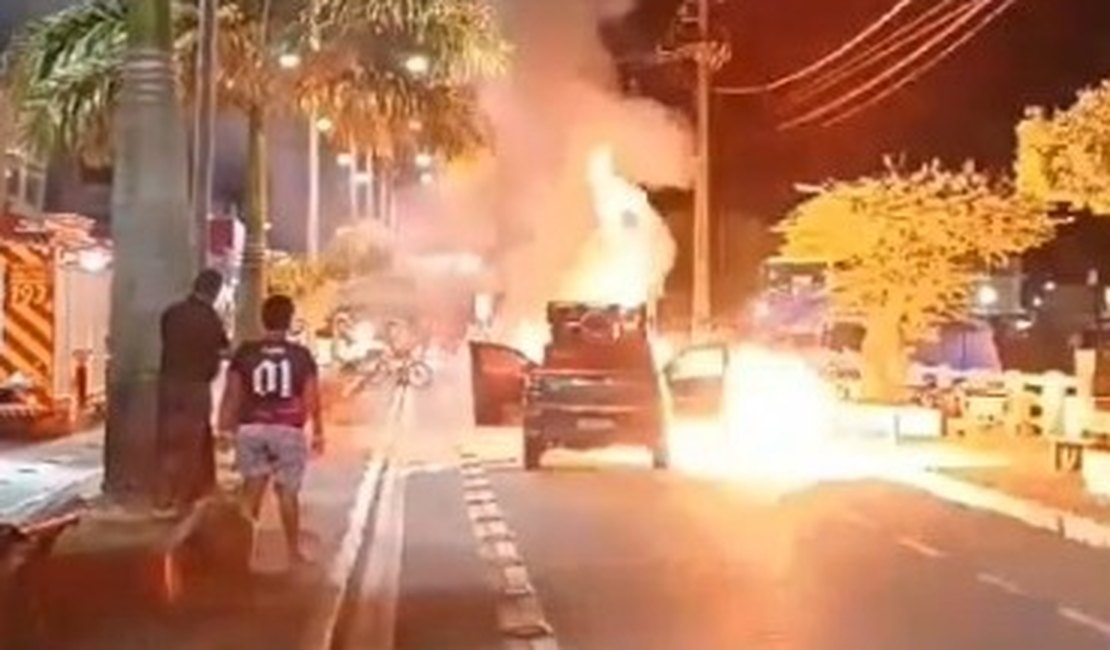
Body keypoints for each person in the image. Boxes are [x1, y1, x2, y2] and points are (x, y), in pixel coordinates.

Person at [218, 295, 324, 565]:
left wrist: (224, 430)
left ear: (262, 320)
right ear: (289, 321)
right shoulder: (301, 356)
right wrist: (319, 431)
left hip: (251, 428)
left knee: (250, 493)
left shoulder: (245, 353)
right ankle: (293, 552)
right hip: (287, 429)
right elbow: (312, 397)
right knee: (287, 493)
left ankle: (240, 556)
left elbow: (232, 395)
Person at [158, 269, 229, 512]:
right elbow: (223, 348)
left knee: (169, 440)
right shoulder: (210, 318)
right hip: (196, 387)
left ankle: (165, 495)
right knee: (192, 441)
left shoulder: (172, 313)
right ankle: (183, 498)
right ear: (215, 291)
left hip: (169, 385)